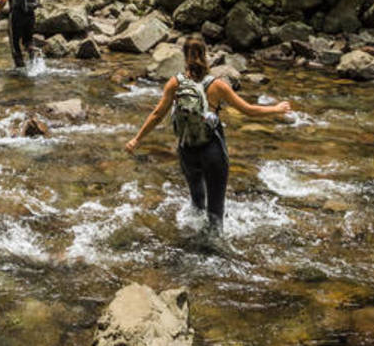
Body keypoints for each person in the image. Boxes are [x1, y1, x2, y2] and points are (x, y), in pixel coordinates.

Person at [124, 34, 291, 233]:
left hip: (187, 150)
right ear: (205, 55)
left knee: (197, 203)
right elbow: (249, 110)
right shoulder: (217, 85)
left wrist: (137, 139)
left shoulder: (174, 84)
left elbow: (157, 114)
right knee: (216, 212)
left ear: (185, 57)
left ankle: (192, 240)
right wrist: (277, 109)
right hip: (213, 152)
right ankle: (215, 250)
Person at [0, 0, 36, 69]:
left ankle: (20, 68)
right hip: (30, 13)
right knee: (28, 40)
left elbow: (4, 0)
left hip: (17, 15)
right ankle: (35, 63)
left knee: (14, 42)